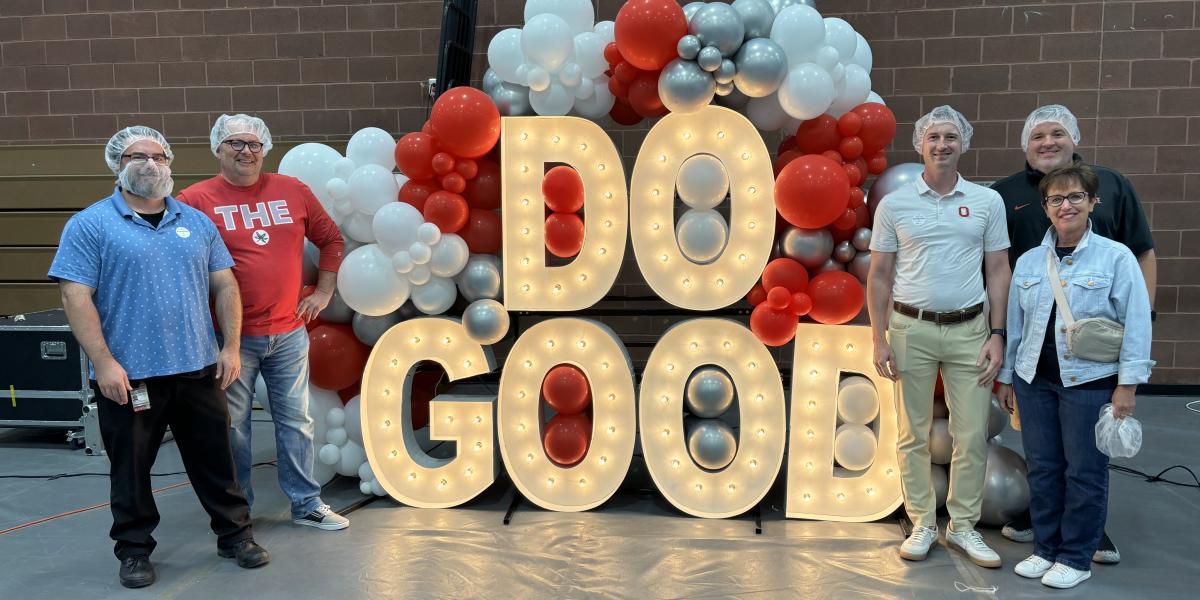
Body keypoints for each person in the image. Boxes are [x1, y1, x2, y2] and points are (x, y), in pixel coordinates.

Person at [49, 126, 268, 589]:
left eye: (158, 155)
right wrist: (104, 363)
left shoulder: (195, 222)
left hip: (196, 368)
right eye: (136, 156)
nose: (149, 163)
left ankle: (235, 536)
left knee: (216, 461)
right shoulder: (90, 225)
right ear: (117, 165)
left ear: (171, 163)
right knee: (130, 470)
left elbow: (226, 284)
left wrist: (229, 347)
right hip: (131, 378)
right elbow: (75, 295)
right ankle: (133, 552)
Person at [990, 105, 1155, 563]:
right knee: (1044, 467)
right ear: (1045, 207)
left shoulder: (1116, 258)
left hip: (1089, 376)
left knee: (1085, 468)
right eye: (1057, 200)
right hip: (1033, 378)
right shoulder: (1028, 261)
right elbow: (1018, 324)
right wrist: (1006, 376)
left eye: (1075, 198)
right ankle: (1046, 547)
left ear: (1091, 201)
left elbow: (1138, 319)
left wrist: (1128, 384)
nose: (1066, 206)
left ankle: (1078, 553)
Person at [177, 114, 348, 531]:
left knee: (298, 421)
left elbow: (331, 240)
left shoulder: (292, 190)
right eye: (235, 143)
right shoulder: (194, 200)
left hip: (288, 333)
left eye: (253, 144)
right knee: (233, 428)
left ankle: (306, 502)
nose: (245, 151)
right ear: (218, 148)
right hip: (230, 339)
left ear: (265, 148)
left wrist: (323, 293)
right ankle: (239, 510)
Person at [867, 106, 1012, 568]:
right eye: (934, 137)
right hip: (910, 328)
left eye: (951, 137)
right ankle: (923, 522)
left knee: (970, 435)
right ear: (919, 145)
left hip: (970, 330)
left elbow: (998, 269)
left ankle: (963, 527)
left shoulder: (987, 203)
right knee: (912, 435)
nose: (942, 145)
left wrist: (998, 334)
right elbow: (879, 277)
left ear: (963, 144)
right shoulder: (896, 205)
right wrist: (878, 338)